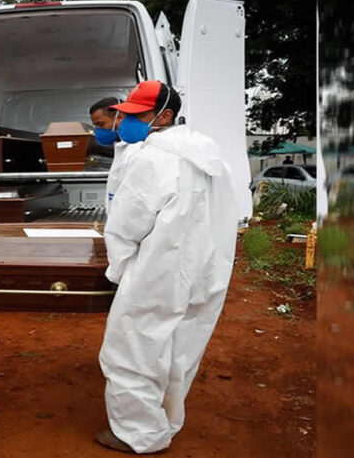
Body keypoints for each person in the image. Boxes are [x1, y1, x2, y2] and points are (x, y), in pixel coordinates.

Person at [95, 81, 240, 454]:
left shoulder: (152, 158)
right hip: (206, 270)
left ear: (164, 116)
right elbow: (231, 214)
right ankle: (167, 421)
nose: (127, 121)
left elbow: (126, 225)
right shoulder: (212, 158)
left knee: (132, 350)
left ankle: (139, 433)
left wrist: (119, 271)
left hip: (157, 271)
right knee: (181, 349)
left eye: (138, 114)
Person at [88, 96, 133, 214]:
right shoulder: (120, 147)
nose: (98, 130)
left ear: (120, 117)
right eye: (95, 126)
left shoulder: (136, 149)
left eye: (100, 124)